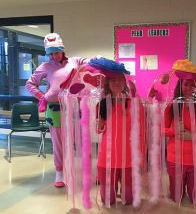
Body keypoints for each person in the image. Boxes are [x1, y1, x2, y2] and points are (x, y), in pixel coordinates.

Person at [25, 33, 88, 188]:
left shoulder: (74, 61)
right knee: (58, 143)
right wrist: (42, 96)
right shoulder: (45, 67)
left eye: (57, 52)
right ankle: (60, 171)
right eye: (51, 53)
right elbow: (30, 84)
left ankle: (71, 169)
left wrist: (101, 63)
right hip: (54, 109)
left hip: (73, 107)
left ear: (62, 49)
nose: (54, 55)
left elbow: (90, 62)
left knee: (75, 139)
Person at [95, 62, 145, 207]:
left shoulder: (134, 104)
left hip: (128, 159)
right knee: (108, 201)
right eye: (112, 80)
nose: (116, 82)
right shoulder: (102, 104)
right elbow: (98, 130)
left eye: (119, 79)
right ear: (108, 83)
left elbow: (141, 131)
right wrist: (99, 125)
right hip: (107, 159)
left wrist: (141, 158)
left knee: (128, 200)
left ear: (125, 82)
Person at [164, 78, 196, 204]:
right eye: (186, 84)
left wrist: (193, 136)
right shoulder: (172, 106)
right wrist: (173, 130)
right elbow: (161, 129)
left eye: (193, 85)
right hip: (175, 159)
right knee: (176, 198)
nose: (189, 88)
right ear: (180, 86)